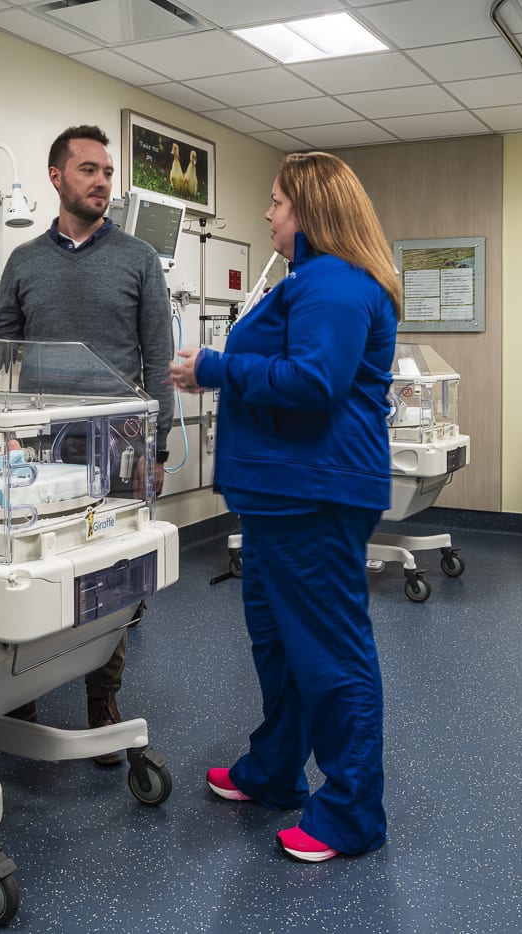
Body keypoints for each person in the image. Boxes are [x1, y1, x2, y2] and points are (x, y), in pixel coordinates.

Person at [168, 151, 397, 863]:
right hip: (280, 495)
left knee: (329, 653)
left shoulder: (333, 282)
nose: (266, 212)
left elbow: (313, 383)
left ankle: (352, 813)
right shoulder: (309, 280)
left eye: (275, 201)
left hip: (315, 494)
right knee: (278, 642)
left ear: (310, 209)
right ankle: (273, 770)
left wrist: (214, 368)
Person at [0, 125, 173, 765]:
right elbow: (0, 353)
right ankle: (20, 697)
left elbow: (160, 360)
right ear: (57, 177)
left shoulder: (139, 259)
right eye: (88, 170)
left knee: (112, 577)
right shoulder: (26, 261)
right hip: (37, 448)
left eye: (108, 173)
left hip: (114, 448)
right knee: (27, 569)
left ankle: (102, 700)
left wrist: (158, 449)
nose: (102, 183)